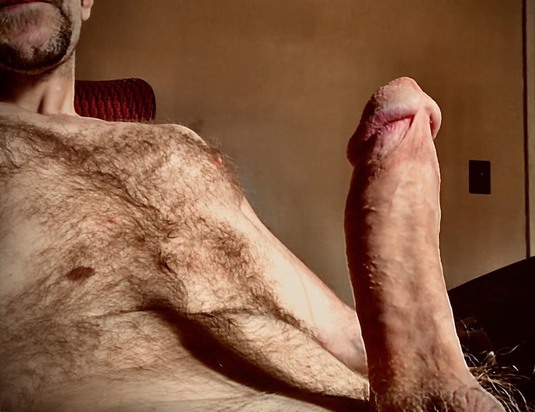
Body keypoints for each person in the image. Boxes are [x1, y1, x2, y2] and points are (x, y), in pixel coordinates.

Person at [0, 1, 505, 410]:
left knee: (376, 353)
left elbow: (337, 329)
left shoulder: (176, 147)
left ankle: (428, 377)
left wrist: (396, 346)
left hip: (342, 397)